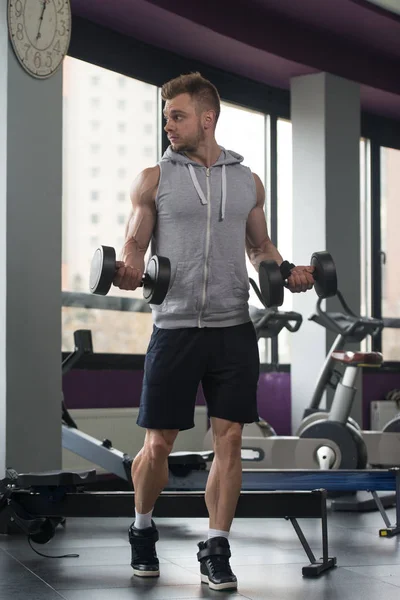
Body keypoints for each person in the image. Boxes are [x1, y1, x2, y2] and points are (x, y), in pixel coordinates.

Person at [113, 72, 314, 592]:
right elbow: (134, 243)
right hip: (175, 327)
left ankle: (217, 545)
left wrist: (286, 269)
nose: (168, 126)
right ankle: (141, 528)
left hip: (232, 328)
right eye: (165, 117)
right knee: (157, 445)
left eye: (176, 116)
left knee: (229, 440)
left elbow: (260, 247)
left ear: (207, 119)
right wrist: (131, 266)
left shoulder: (247, 181)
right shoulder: (154, 179)